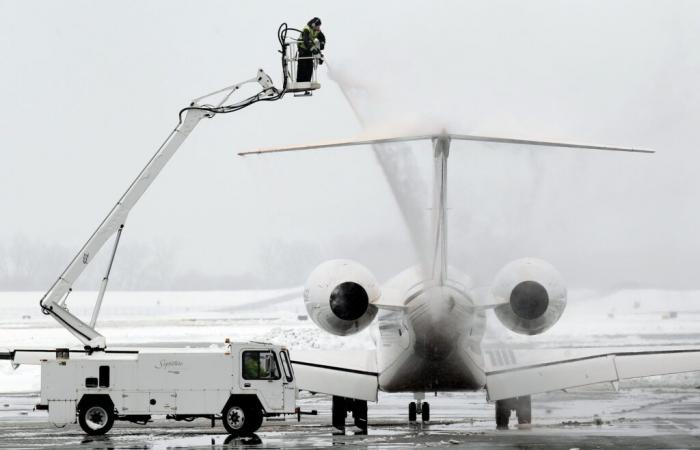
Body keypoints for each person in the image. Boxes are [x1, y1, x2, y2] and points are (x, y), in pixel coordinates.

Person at [296, 17, 326, 83]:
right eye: (318, 26)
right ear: (313, 25)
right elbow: (306, 41)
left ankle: (307, 82)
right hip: (302, 50)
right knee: (302, 66)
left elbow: (322, 38)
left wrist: (321, 45)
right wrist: (313, 49)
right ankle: (299, 82)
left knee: (309, 66)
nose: (319, 28)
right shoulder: (306, 29)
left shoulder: (317, 31)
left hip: (309, 51)